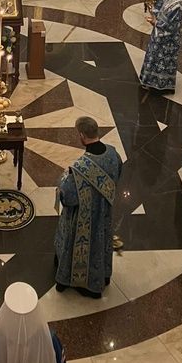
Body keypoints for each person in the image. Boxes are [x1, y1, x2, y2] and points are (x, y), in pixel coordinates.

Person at [54, 116, 122, 298]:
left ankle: (71, 280)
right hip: (104, 213)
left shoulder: (79, 169)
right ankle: (101, 275)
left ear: (82, 136)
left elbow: (68, 198)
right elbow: (117, 176)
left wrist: (63, 179)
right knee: (100, 244)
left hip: (82, 221)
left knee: (77, 244)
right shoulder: (113, 154)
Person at [139, 0, 182, 93]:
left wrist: (155, 22)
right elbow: (159, 7)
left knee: (163, 63)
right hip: (159, 35)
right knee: (153, 57)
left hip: (168, 41)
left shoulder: (177, 5)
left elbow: (170, 25)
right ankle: (149, 81)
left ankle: (161, 86)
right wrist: (152, 7)